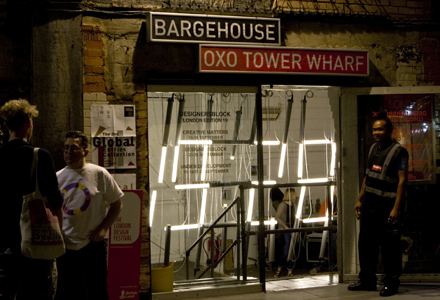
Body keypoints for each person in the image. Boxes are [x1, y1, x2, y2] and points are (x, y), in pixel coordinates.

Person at [0, 99, 63, 300]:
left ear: (6, 125)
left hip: (4, 244)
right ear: (28, 122)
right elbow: (55, 200)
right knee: (41, 294)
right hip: (36, 242)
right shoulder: (39, 156)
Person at [55, 131, 123, 300]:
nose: (68, 152)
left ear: (85, 151)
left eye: (74, 148)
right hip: (66, 246)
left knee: (97, 289)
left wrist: (103, 228)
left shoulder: (99, 174)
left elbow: (116, 204)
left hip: (92, 244)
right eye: (66, 148)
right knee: (71, 292)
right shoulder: (57, 177)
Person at [348, 112, 408, 297]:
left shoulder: (400, 152)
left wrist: (396, 208)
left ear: (390, 130)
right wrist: (359, 199)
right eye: (375, 129)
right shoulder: (373, 148)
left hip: (387, 206)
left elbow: (402, 182)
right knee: (366, 245)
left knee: (390, 247)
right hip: (370, 205)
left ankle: (391, 283)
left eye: (381, 129)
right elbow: (367, 176)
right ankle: (367, 280)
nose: (377, 132)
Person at [273, 188, 296, 277]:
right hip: (286, 229)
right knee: (286, 250)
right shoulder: (282, 205)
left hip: (293, 228)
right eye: (294, 194)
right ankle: (279, 268)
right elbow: (277, 217)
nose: (295, 196)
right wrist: (285, 226)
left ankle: (289, 270)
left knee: (292, 250)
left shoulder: (294, 205)